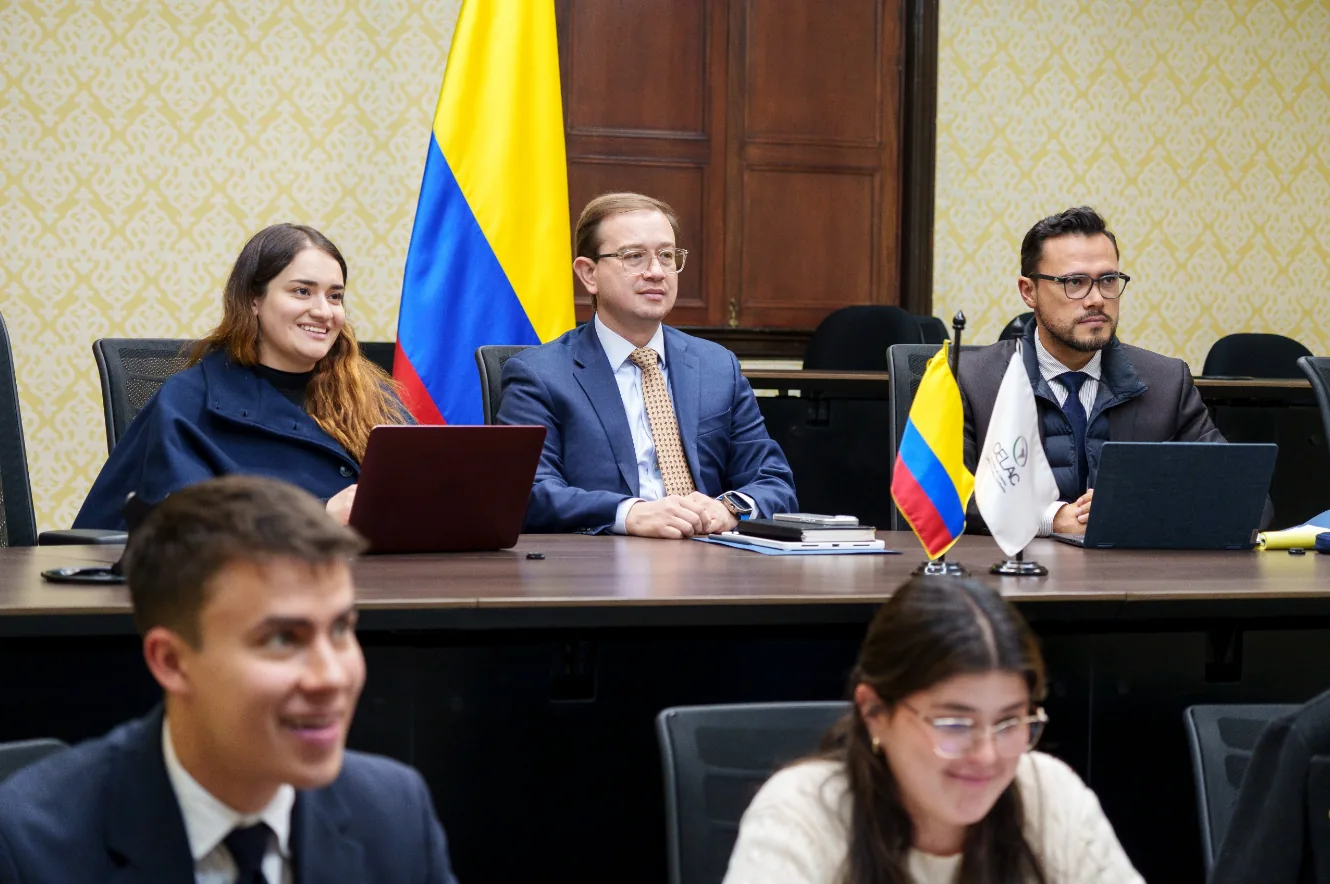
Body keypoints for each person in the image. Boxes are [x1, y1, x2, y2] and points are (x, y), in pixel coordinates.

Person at [0, 476, 458, 883]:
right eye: (281, 639)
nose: (331, 677)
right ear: (172, 662)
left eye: (340, 629)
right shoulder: (31, 845)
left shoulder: (394, 813)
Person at [723, 576, 1142, 884]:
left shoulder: (1049, 795)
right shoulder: (802, 813)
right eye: (955, 724)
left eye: (1010, 722)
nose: (987, 755)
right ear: (873, 712)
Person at [496, 192, 797, 537]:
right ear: (589, 274)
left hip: (713, 562)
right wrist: (630, 514)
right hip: (600, 570)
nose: (656, 272)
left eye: (666, 256)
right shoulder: (540, 375)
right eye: (634, 257)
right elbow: (530, 491)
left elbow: (773, 481)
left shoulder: (718, 367)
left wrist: (728, 509)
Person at [74, 224, 409, 530]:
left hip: (382, 583)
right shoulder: (187, 402)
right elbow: (183, 533)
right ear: (253, 299)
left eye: (334, 296)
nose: (323, 311)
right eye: (302, 292)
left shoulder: (372, 395)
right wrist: (317, 517)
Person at [960, 206, 1223, 536]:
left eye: (1108, 281)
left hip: (1131, 578)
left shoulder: (1166, 383)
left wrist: (1136, 505)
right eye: (1075, 282)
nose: (1096, 299)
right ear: (1029, 292)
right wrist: (1050, 519)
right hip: (1014, 577)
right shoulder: (970, 379)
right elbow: (939, 496)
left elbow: (1244, 498)